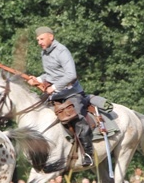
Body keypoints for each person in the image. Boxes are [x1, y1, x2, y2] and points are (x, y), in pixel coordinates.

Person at [28, 26, 94, 167]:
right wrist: (38, 79)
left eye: (42, 39)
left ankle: (88, 153)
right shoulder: (44, 53)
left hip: (72, 93)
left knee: (76, 118)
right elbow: (51, 74)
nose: (39, 42)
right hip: (56, 95)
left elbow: (71, 75)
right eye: (38, 40)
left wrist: (54, 87)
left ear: (51, 37)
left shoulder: (62, 51)